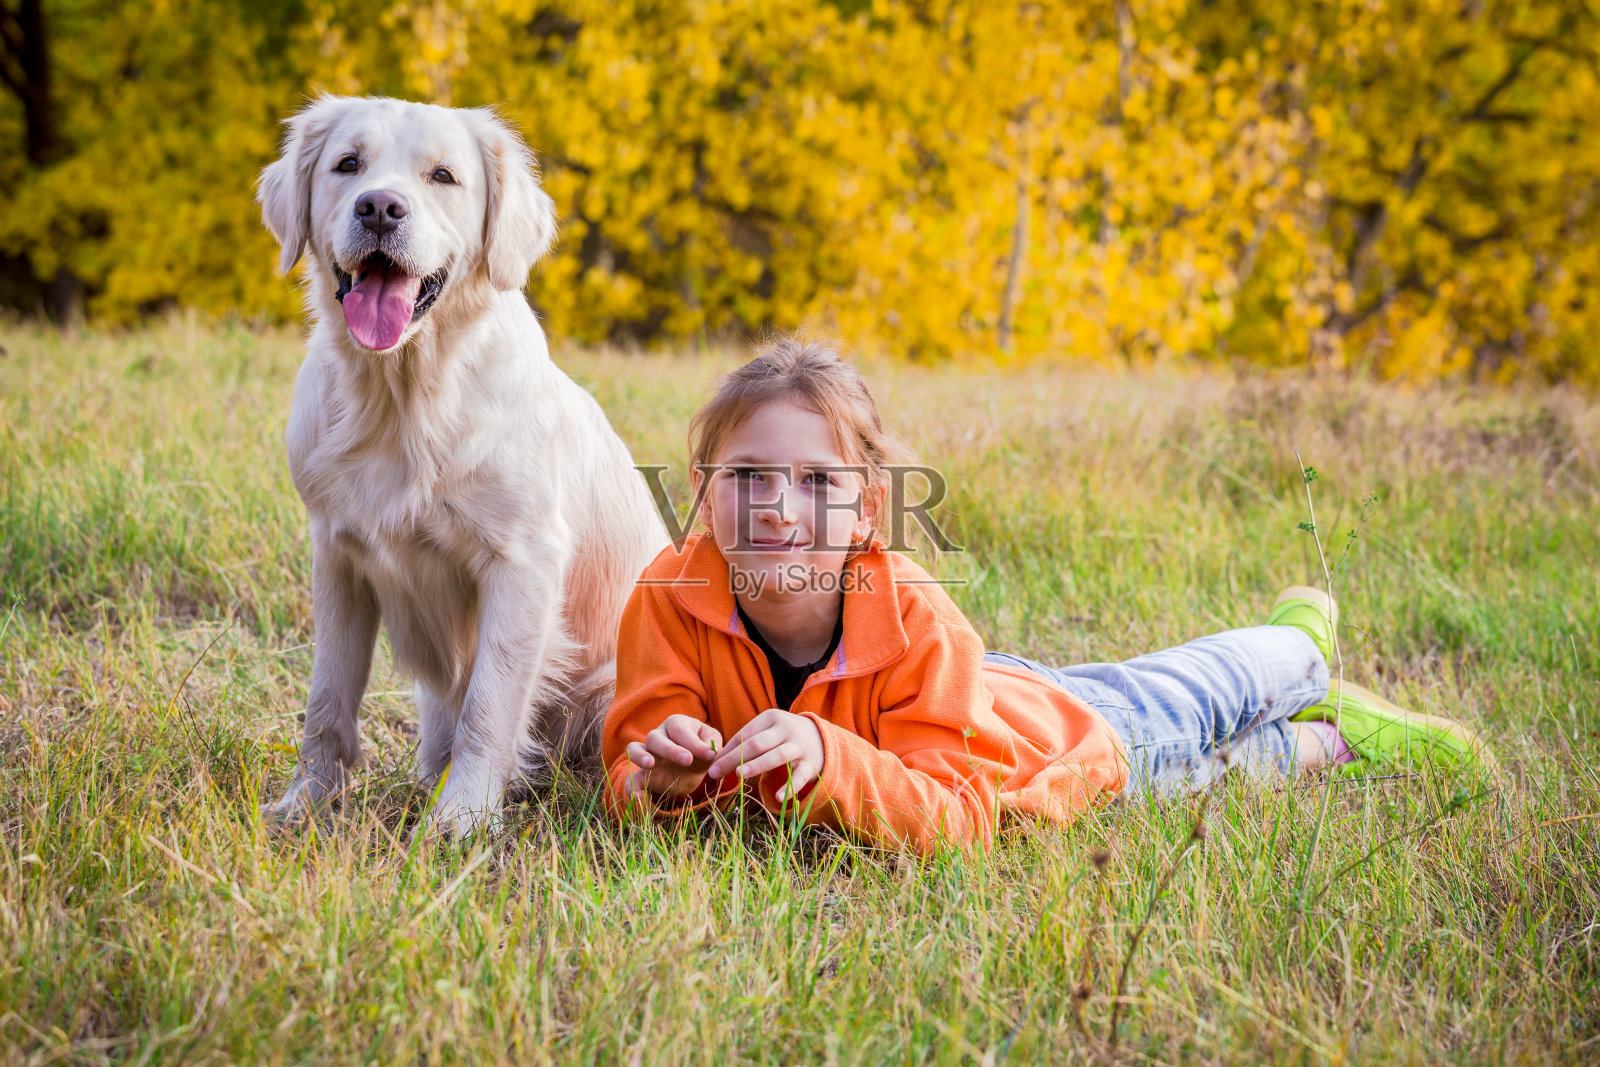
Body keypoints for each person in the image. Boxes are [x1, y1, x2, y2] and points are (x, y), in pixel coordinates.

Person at [600, 338, 1496, 854]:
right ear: (700, 487)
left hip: (1062, 734)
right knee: (1210, 779)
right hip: (1042, 790)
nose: (778, 508)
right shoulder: (667, 594)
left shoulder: (913, 614)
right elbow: (632, 763)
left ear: (869, 505)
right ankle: (1332, 737)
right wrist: (661, 776)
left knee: (1193, 695)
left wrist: (829, 758)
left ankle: (1299, 646)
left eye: (816, 482)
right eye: (747, 475)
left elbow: (959, 819)